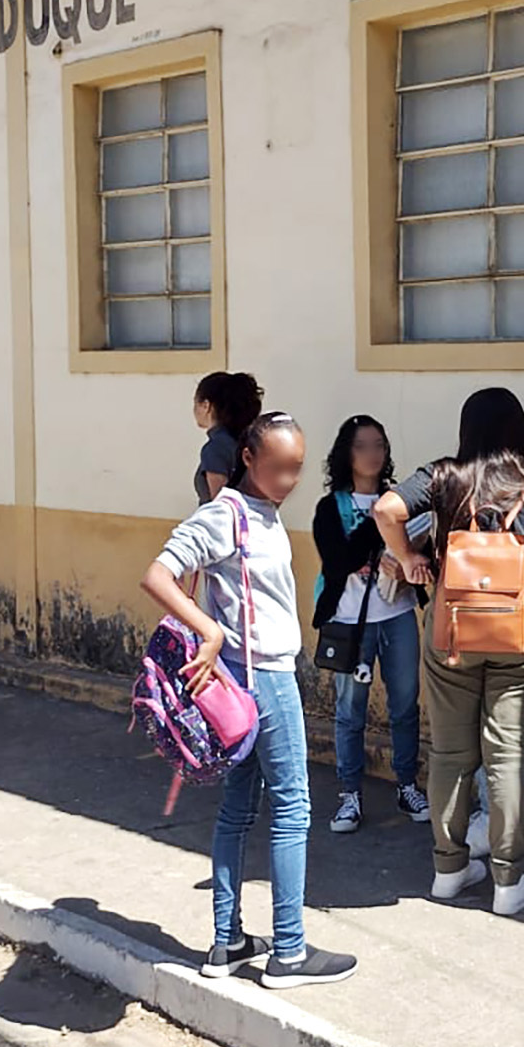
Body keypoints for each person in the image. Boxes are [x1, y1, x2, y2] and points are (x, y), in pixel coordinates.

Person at [140, 411, 355, 989]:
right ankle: (289, 951)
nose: (289, 479)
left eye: (297, 469)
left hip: (244, 682)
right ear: (248, 460)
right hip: (260, 681)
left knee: (241, 810)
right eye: (279, 467)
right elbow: (158, 575)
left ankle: (227, 942)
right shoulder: (224, 515)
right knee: (293, 808)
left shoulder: (259, 513)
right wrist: (209, 632)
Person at [373, 389, 524, 917]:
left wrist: (410, 557)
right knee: (507, 755)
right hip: (522, 633)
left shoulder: (443, 477)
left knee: (449, 753)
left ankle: (448, 869)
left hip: (452, 633)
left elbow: (385, 508)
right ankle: (509, 883)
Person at [312, 416, 429, 834]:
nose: (373, 454)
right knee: (350, 712)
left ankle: (407, 785)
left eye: (379, 445)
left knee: (404, 705)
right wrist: (380, 528)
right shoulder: (332, 507)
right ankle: (349, 794)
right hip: (349, 623)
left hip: (395, 616)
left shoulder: (398, 501)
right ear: (347, 453)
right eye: (363, 446)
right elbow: (338, 561)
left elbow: (419, 553)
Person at [191, 371, 263, 505]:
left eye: (196, 403)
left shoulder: (215, 448)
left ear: (206, 405)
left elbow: (220, 504)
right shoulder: (250, 441)